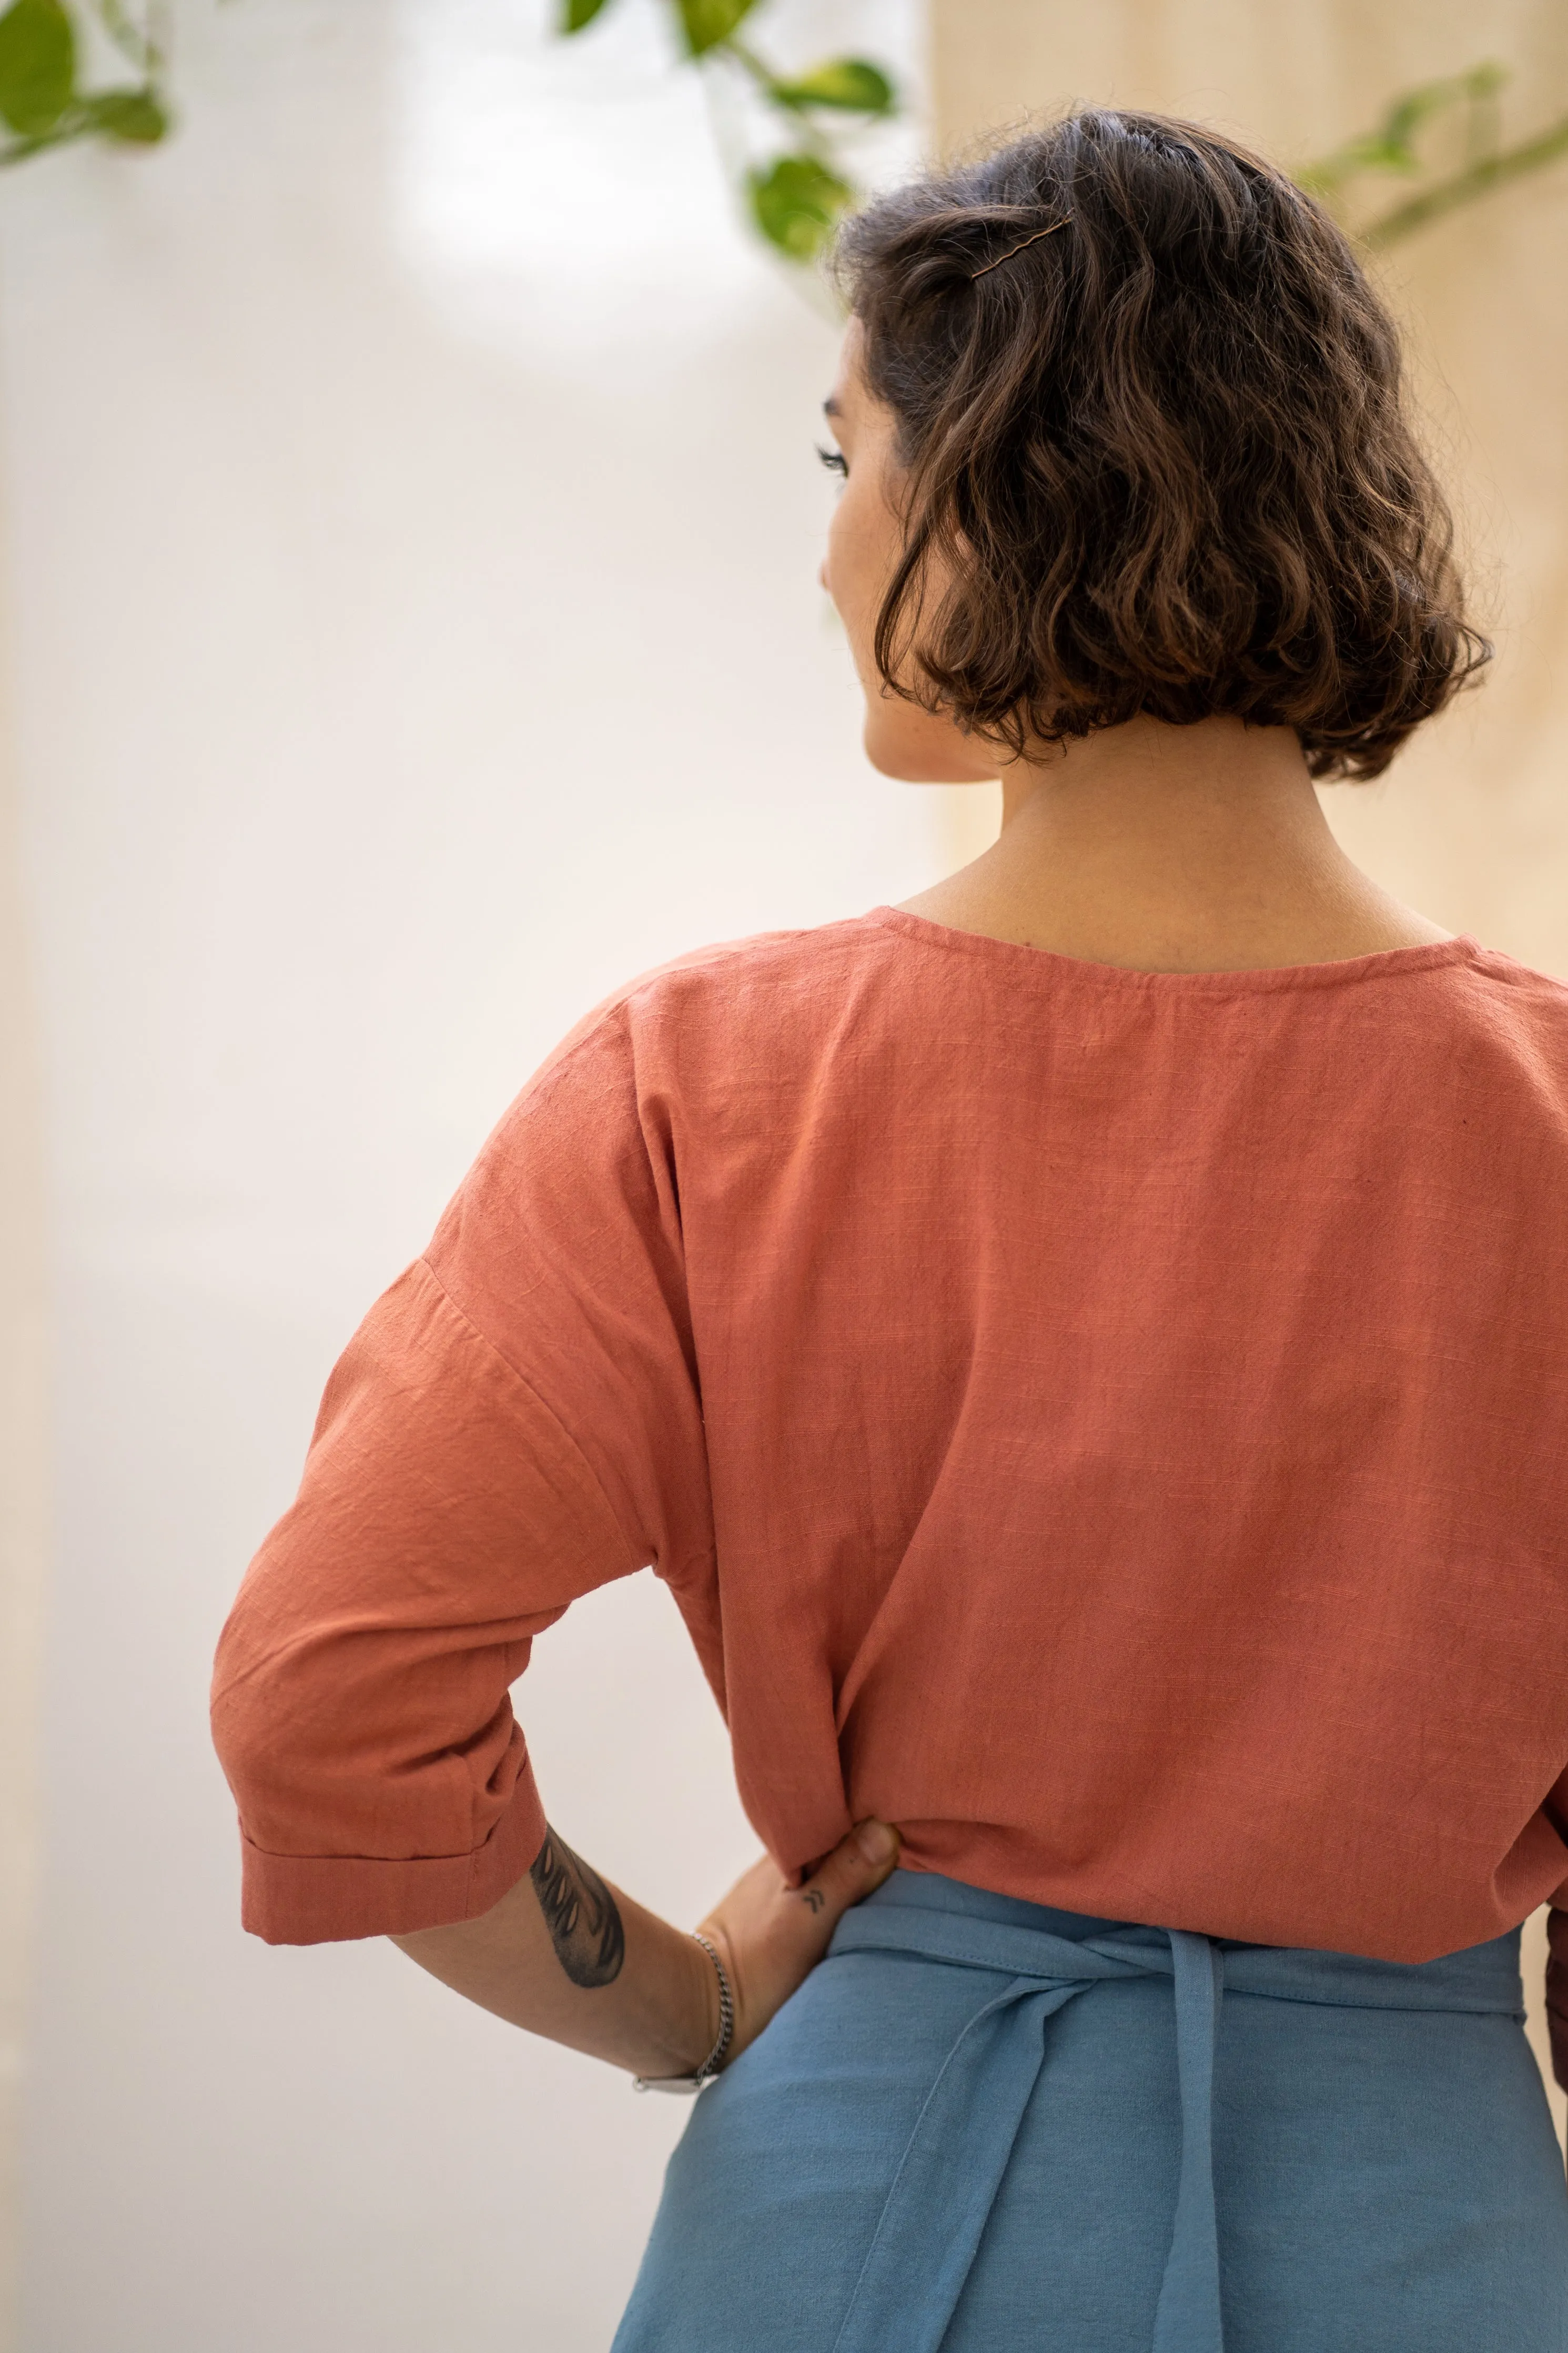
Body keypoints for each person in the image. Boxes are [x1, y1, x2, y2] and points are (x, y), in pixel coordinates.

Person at [211, 109, 1568, 2351]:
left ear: (990, 486)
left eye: (841, 458)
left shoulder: (696, 1088)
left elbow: (326, 1701)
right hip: (1423, 2235)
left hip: (871, 2216)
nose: (825, 551)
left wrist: (689, 2001)